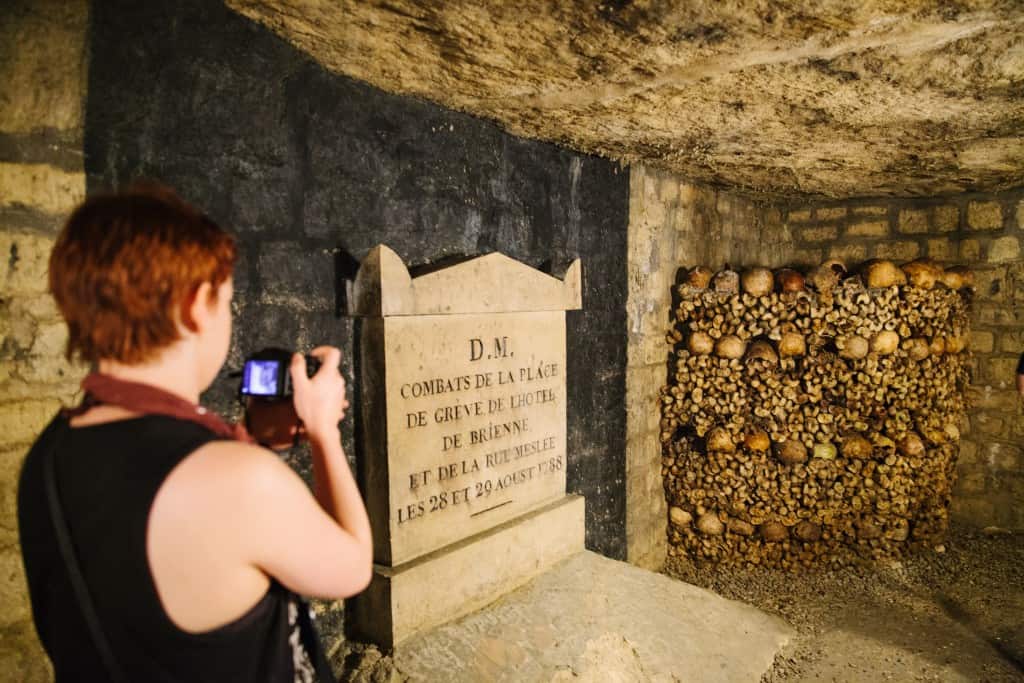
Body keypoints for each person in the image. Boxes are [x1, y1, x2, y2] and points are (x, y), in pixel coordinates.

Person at [18, 185, 372, 681]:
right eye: (225, 300)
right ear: (195, 303)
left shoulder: (48, 455)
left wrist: (245, 442)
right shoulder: (238, 482)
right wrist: (322, 430)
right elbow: (352, 568)